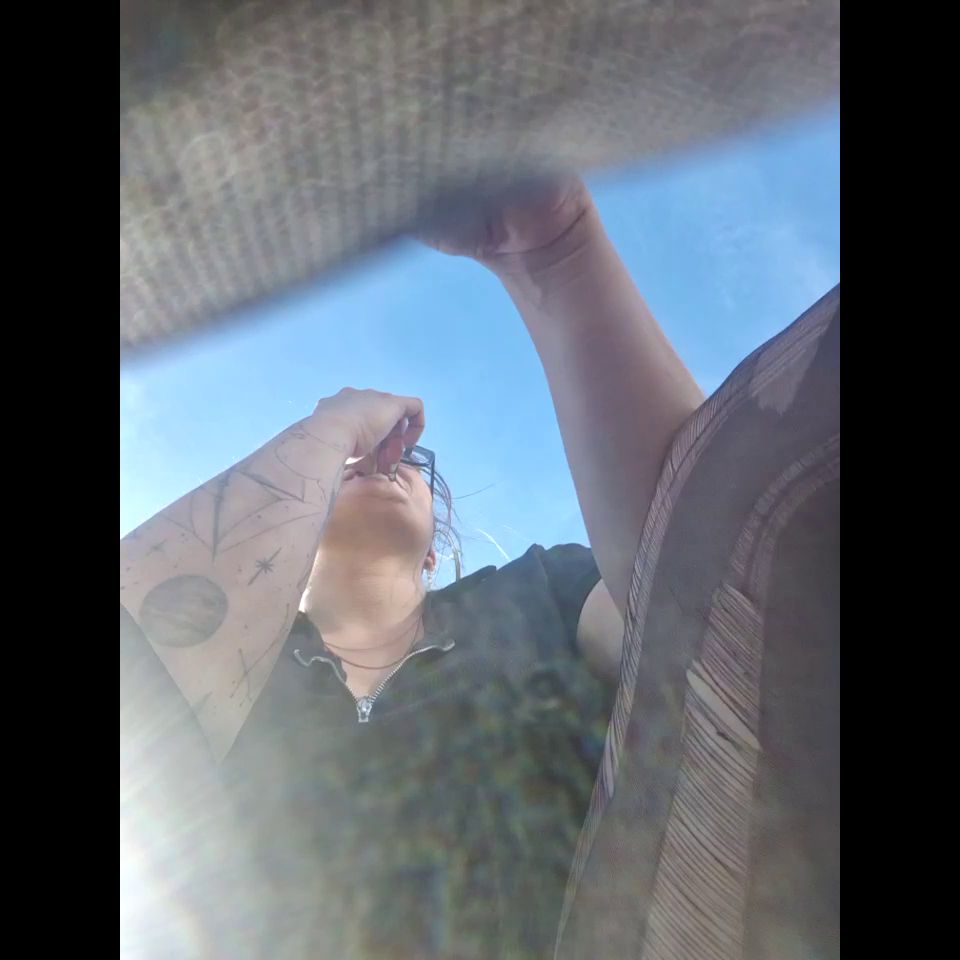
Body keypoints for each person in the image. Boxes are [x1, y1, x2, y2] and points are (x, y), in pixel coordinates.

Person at [119, 177, 704, 959]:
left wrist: (558, 252)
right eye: (348, 466)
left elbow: (701, 603)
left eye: (411, 464)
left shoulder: (535, 595)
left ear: (433, 550)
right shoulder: (252, 665)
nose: (381, 463)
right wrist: (332, 427)